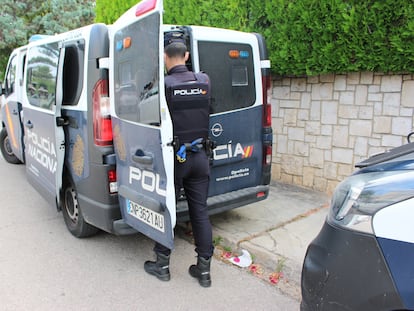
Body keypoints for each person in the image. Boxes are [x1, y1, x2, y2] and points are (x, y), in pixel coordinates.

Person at [144, 35, 214, 288]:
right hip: (200, 157)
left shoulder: (162, 85)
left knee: (166, 209)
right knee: (200, 212)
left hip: (174, 158)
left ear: (164, 57)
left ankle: (162, 265)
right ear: (186, 56)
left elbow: (147, 116)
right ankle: (204, 271)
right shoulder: (204, 80)